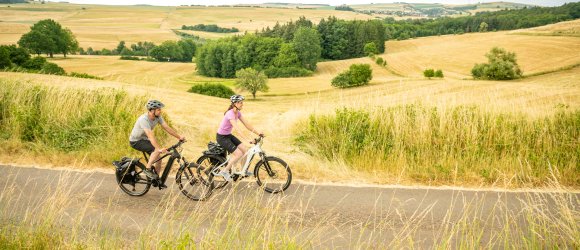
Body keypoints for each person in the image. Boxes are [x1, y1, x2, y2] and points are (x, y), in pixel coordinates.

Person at [129, 100, 185, 185]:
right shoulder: (143, 119)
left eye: (160, 109)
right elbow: (150, 136)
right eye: (158, 109)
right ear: (151, 110)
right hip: (136, 141)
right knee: (156, 150)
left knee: (159, 159)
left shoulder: (158, 117)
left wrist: (179, 137)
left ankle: (156, 180)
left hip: (144, 139)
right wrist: (158, 149)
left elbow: (167, 127)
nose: (160, 111)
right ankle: (147, 169)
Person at [216, 94, 263, 181]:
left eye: (242, 103)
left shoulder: (238, 113)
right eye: (241, 103)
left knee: (245, 150)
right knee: (238, 154)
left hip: (228, 135)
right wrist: (247, 140)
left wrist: (258, 133)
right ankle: (225, 171)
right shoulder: (230, 114)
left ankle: (243, 170)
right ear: (235, 104)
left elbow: (247, 125)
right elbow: (238, 130)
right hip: (221, 137)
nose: (242, 104)